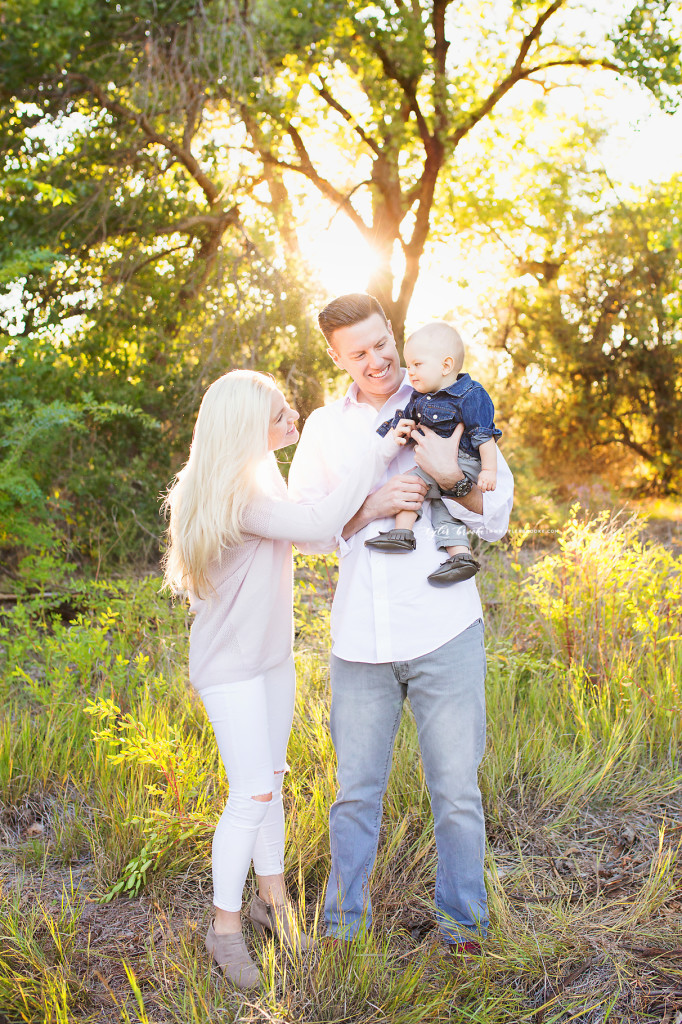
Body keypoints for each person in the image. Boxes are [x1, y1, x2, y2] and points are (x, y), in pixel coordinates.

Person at [161, 369, 411, 989]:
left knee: (270, 781)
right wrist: (377, 453)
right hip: (231, 668)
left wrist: (356, 502)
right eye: (280, 412)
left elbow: (317, 527)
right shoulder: (231, 496)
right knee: (250, 794)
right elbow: (319, 520)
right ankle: (224, 928)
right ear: (249, 426)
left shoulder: (255, 477)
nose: (293, 415)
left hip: (268, 657)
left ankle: (273, 905)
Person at [288, 293, 514, 951]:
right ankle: (341, 932)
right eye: (358, 353)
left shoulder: (452, 396)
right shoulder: (327, 429)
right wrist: (368, 508)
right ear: (336, 357)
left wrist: (448, 475)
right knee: (354, 795)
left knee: (457, 795)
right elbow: (303, 531)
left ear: (394, 333)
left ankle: (464, 928)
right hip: (360, 641)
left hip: (445, 628)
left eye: (382, 343)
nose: (378, 360)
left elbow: (494, 513)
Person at [364, 320, 502, 586]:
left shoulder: (472, 395)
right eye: (410, 364)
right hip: (439, 468)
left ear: (446, 365)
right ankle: (460, 556)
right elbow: (406, 419)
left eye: (418, 364)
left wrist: (488, 471)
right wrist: (395, 431)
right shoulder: (420, 396)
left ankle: (402, 533)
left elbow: (485, 436)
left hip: (465, 462)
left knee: (412, 483)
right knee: (443, 508)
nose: (411, 372)